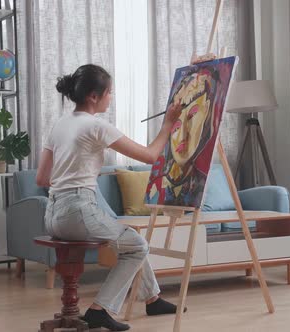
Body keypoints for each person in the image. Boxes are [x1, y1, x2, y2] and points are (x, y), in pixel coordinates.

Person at [36, 64, 184, 331]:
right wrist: (168, 124)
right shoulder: (96, 126)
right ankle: (99, 310)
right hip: (78, 210)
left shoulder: (60, 125)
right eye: (110, 93)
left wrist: (83, 169)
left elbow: (42, 179)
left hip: (53, 215)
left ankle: (153, 299)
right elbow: (150, 156)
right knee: (137, 246)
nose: (110, 98)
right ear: (94, 96)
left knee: (128, 240)